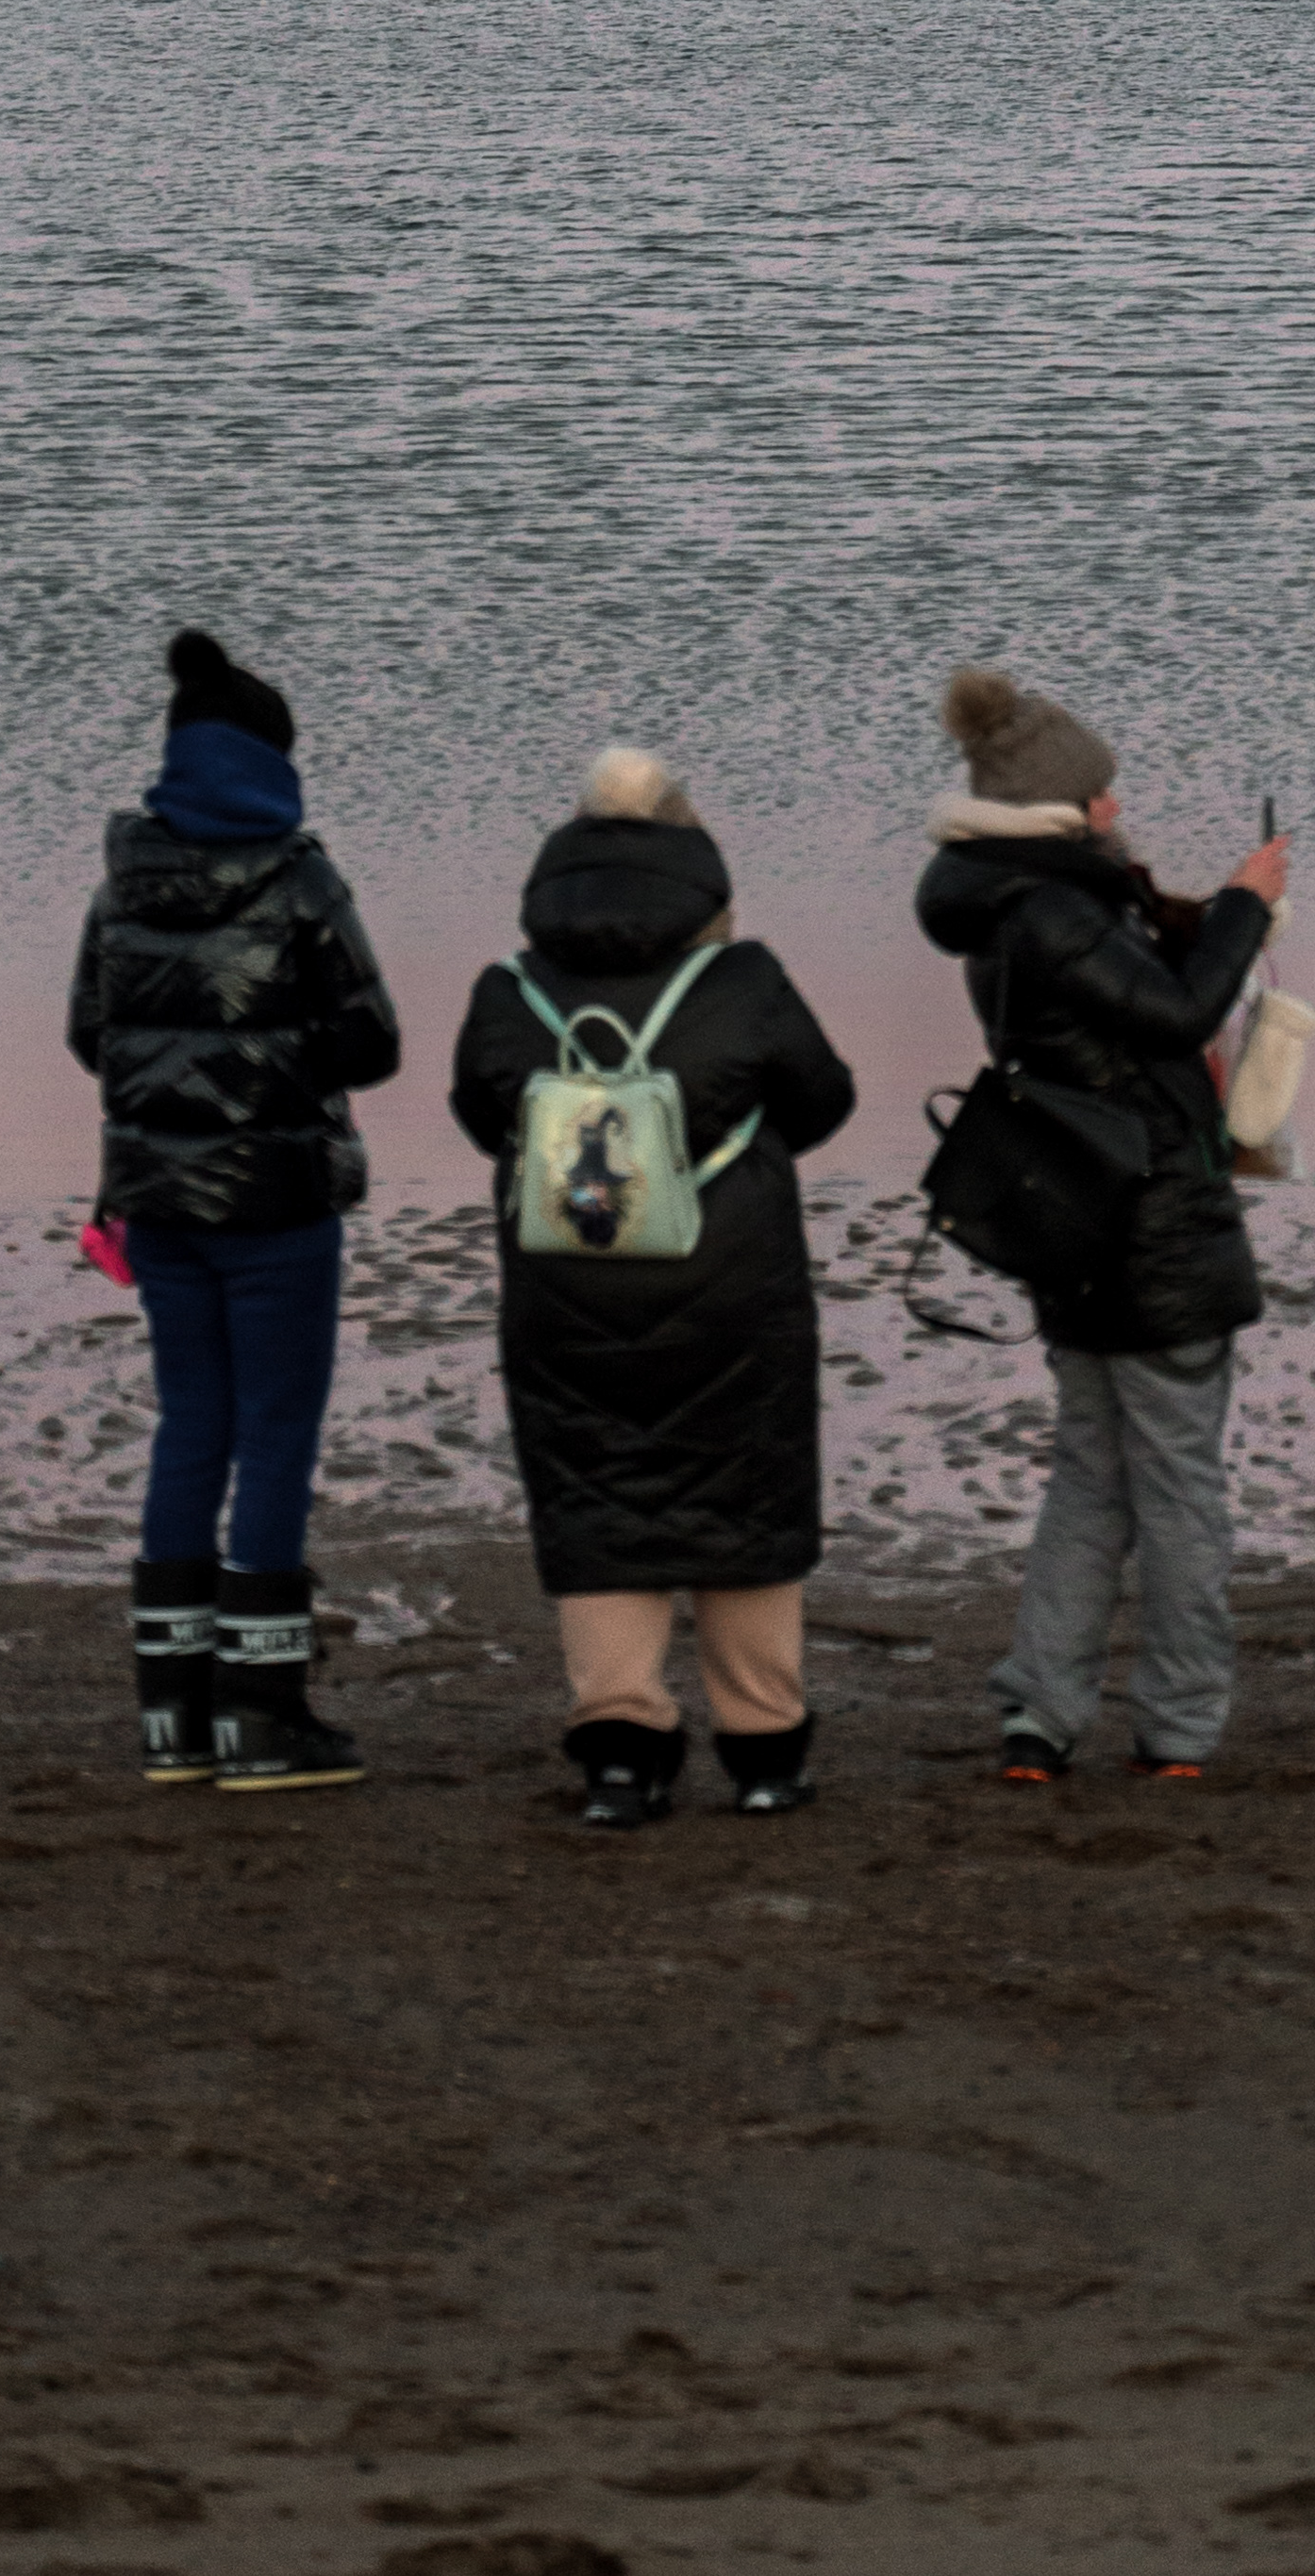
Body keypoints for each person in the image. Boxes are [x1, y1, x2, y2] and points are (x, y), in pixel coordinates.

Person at [450, 748, 857, 1826]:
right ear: (700, 874)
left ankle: (621, 1761)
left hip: (563, 1292)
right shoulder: (744, 981)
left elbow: (481, 1117)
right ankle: (764, 1755)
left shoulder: (507, 991)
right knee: (747, 1502)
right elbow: (822, 1103)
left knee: (596, 1501)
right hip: (734, 1290)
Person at [913, 660, 1287, 1786]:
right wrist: (1243, 907)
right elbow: (1175, 1015)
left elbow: (1125, 1009)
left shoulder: (1008, 901)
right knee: (1178, 1490)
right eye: (1099, 794)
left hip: (1073, 1228)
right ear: (1055, 811)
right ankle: (1176, 1727)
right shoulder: (1051, 910)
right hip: (1150, 1233)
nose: (1117, 805)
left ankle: (1039, 1715)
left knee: (1088, 1477)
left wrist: (1187, 916)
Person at [66, 626, 402, 1794]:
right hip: (276, 1205)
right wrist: (274, 1067)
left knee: (190, 1426)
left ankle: (172, 1717)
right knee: (274, 1436)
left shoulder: (122, 877)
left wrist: (181, 1080)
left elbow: (89, 1037)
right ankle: (259, 1718)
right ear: (271, 762)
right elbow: (372, 1042)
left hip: (158, 1202)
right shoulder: (300, 879)